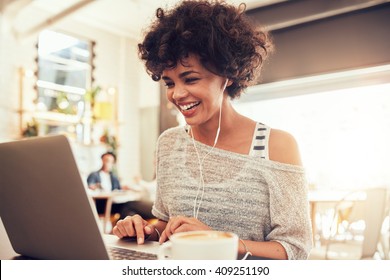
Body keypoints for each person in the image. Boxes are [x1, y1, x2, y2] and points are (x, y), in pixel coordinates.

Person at [113, 0, 312, 260]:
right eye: (169, 83)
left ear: (228, 74)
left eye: (191, 78)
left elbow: (295, 249)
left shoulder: (277, 146)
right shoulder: (169, 143)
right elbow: (166, 225)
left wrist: (219, 241)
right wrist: (144, 230)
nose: (177, 94)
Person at [87, 152, 155, 220]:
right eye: (106, 160)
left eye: (110, 161)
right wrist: (95, 186)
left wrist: (125, 188)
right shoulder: (94, 175)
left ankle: (123, 228)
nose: (108, 163)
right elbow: (90, 186)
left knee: (128, 210)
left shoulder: (113, 177)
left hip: (112, 204)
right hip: (100, 204)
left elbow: (118, 189)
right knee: (129, 208)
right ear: (102, 160)